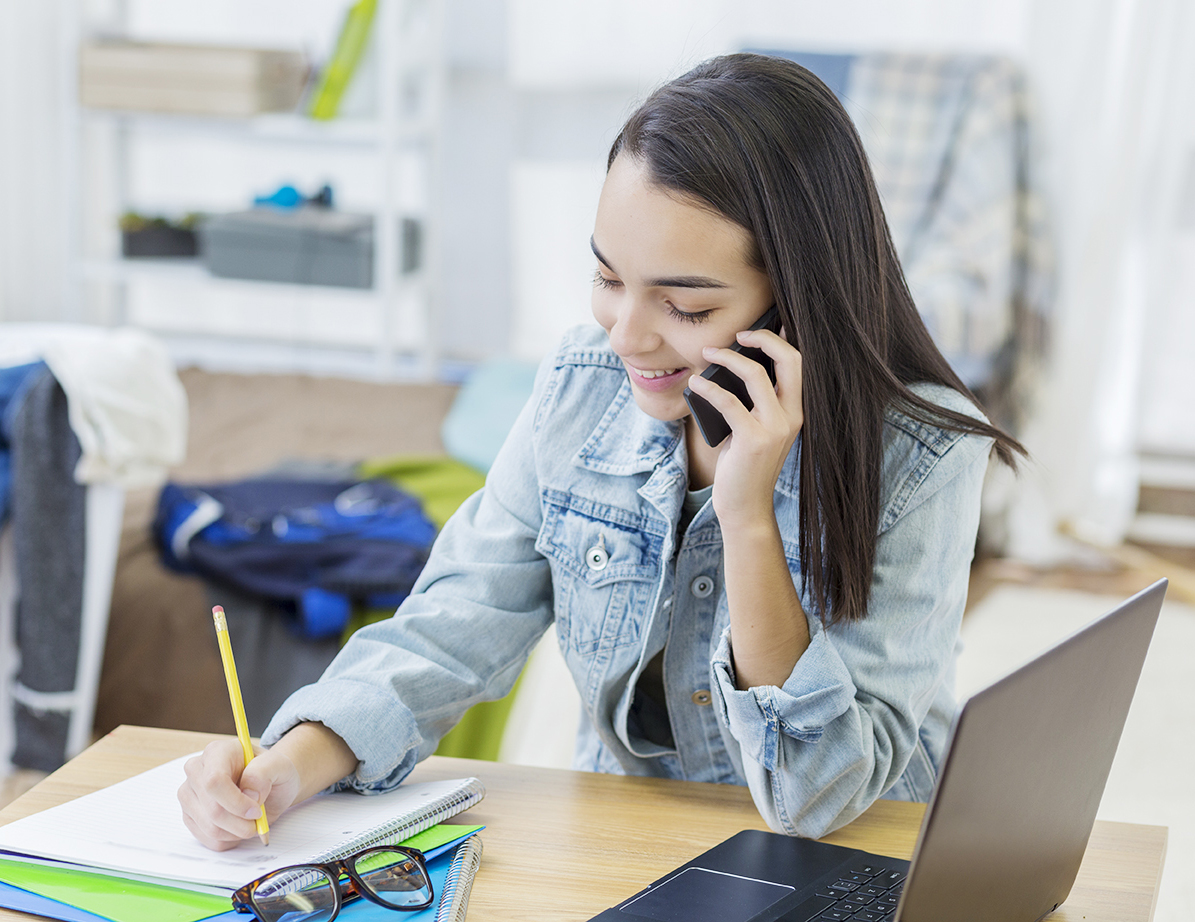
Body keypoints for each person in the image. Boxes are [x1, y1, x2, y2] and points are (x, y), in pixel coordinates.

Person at [178, 53, 1023, 850]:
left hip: (858, 851)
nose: (626, 336)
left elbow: (820, 796)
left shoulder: (924, 453)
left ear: (794, 302)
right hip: (630, 839)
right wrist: (287, 769)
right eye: (609, 279)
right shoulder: (578, 391)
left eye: (685, 307)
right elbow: (447, 632)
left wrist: (747, 520)